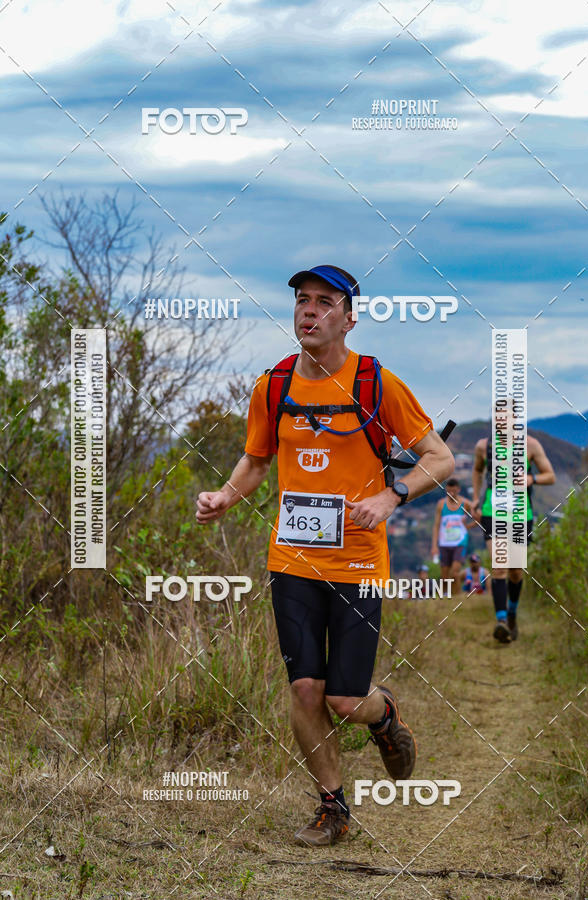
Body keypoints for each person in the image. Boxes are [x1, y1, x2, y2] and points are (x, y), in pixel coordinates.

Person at [196, 264, 454, 846]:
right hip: (292, 561)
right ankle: (332, 808)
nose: (309, 311)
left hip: (359, 562)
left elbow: (439, 459)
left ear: (348, 317)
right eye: (301, 301)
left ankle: (383, 714)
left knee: (344, 697)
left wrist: (391, 495)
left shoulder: (375, 383)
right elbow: (256, 461)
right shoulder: (274, 384)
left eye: (324, 302)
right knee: (305, 690)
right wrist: (224, 495)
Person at [472, 424, 555, 642]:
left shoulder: (530, 445)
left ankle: (512, 615)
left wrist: (531, 479)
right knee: (499, 566)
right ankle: (500, 622)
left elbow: (550, 476)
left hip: (520, 515)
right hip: (493, 513)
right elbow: (477, 470)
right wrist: (475, 498)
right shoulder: (484, 446)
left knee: (516, 571)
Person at [431, 478, 475, 597]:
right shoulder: (441, 504)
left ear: (458, 490)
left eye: (454, 491)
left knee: (454, 572)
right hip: (444, 543)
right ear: (446, 490)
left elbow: (478, 516)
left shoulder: (465, 503)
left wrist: (468, 527)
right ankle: (444, 597)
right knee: (445, 576)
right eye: (449, 491)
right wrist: (434, 546)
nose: (451, 493)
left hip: (460, 543)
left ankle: (457, 597)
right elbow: (436, 526)